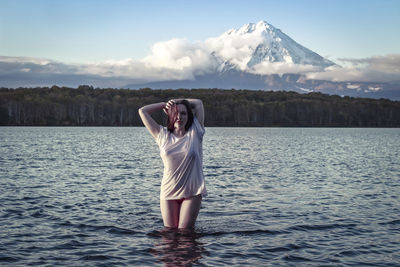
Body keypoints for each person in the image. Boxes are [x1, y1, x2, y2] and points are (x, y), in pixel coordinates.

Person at [138, 99, 206, 229]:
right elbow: (142, 111)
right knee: (169, 235)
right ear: (169, 115)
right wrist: (164, 104)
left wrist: (177, 101)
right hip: (168, 191)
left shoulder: (196, 131)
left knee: (185, 234)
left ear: (188, 116)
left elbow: (198, 103)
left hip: (192, 191)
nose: (179, 117)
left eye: (183, 113)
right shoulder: (162, 135)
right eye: (175, 113)